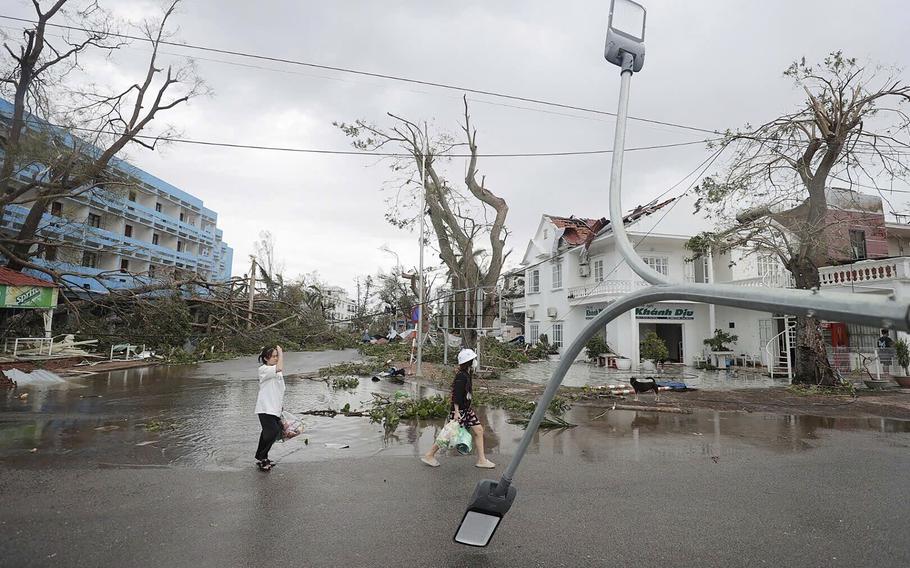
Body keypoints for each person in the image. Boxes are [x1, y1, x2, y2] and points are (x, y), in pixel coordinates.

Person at [421, 348, 496, 469]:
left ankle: (482, 460)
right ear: (469, 362)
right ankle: (429, 455)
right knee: (447, 435)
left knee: (479, 430)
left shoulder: (466, 374)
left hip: (466, 410)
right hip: (459, 411)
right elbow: (456, 395)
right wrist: (456, 412)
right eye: (473, 359)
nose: (475, 361)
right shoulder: (461, 376)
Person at [254, 345, 284, 472]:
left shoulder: (277, 371)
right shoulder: (264, 369)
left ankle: (261, 456)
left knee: (268, 433)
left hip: (275, 408)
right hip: (265, 408)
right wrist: (281, 353)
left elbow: (279, 390)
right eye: (274, 356)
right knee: (273, 432)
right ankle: (262, 458)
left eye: (277, 356)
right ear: (266, 358)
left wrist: (281, 405)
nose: (276, 358)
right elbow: (280, 367)